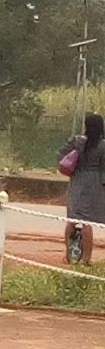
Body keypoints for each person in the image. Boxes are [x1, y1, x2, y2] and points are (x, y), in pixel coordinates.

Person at [58, 112, 105, 264]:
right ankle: (86, 259)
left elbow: (61, 156)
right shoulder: (102, 146)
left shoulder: (76, 142)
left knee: (71, 219)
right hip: (94, 183)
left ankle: (67, 255)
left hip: (77, 180)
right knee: (87, 223)